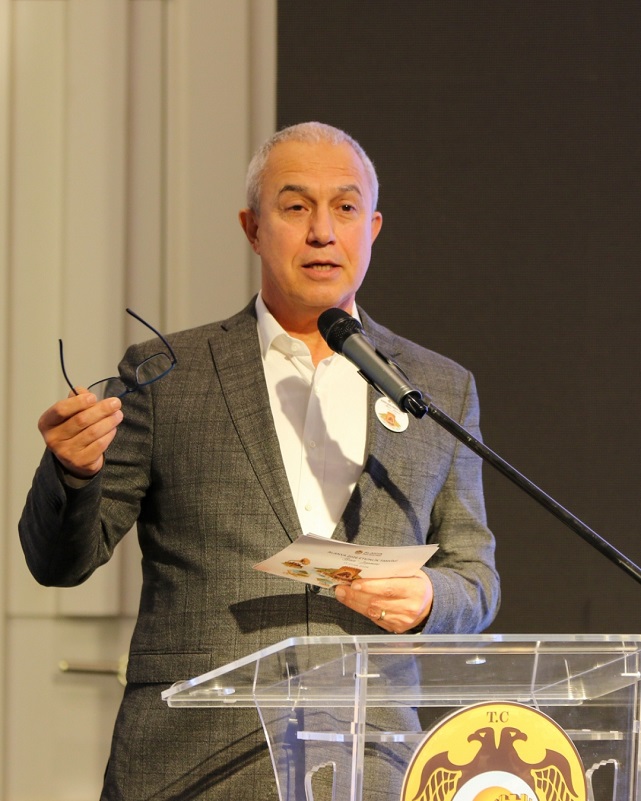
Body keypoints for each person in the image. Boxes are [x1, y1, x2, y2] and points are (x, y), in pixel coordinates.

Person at [19, 122, 500, 800]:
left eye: (345, 207)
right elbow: (60, 561)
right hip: (193, 764)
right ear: (251, 228)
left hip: (369, 764)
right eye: (295, 206)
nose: (322, 232)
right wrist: (72, 473)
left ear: (373, 228)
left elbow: (475, 577)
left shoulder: (437, 386)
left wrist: (428, 599)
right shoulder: (168, 375)